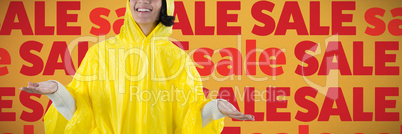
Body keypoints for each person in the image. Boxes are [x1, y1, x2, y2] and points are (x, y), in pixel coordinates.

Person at [20, 0, 254, 133]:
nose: (142, 1)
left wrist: (216, 108)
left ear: (165, 6)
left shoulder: (178, 59)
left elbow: (189, 119)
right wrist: (57, 91)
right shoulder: (100, 54)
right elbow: (81, 113)